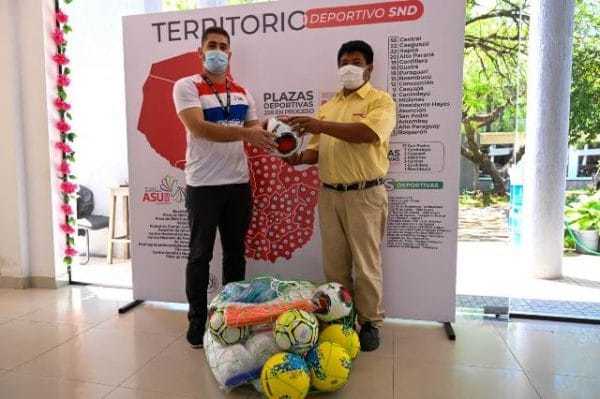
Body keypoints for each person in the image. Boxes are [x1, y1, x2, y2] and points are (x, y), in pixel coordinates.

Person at [285, 40, 396, 351]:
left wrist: (318, 124)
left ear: (369, 67)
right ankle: (341, 318)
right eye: (344, 61)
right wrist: (292, 157)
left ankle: (370, 322)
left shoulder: (381, 102)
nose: (349, 66)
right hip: (330, 194)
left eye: (356, 60)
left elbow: (367, 135)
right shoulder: (329, 105)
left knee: (366, 264)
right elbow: (315, 151)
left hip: (365, 194)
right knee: (334, 265)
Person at [173, 27, 275, 348]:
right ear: (200, 53)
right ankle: (197, 322)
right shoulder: (186, 86)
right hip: (203, 186)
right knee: (199, 255)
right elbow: (199, 128)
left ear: (230, 54)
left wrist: (273, 128)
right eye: (211, 46)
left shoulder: (243, 91)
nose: (218, 51)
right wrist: (247, 135)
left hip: (238, 185)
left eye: (223, 47)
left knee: (235, 255)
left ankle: (232, 318)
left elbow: (253, 128)